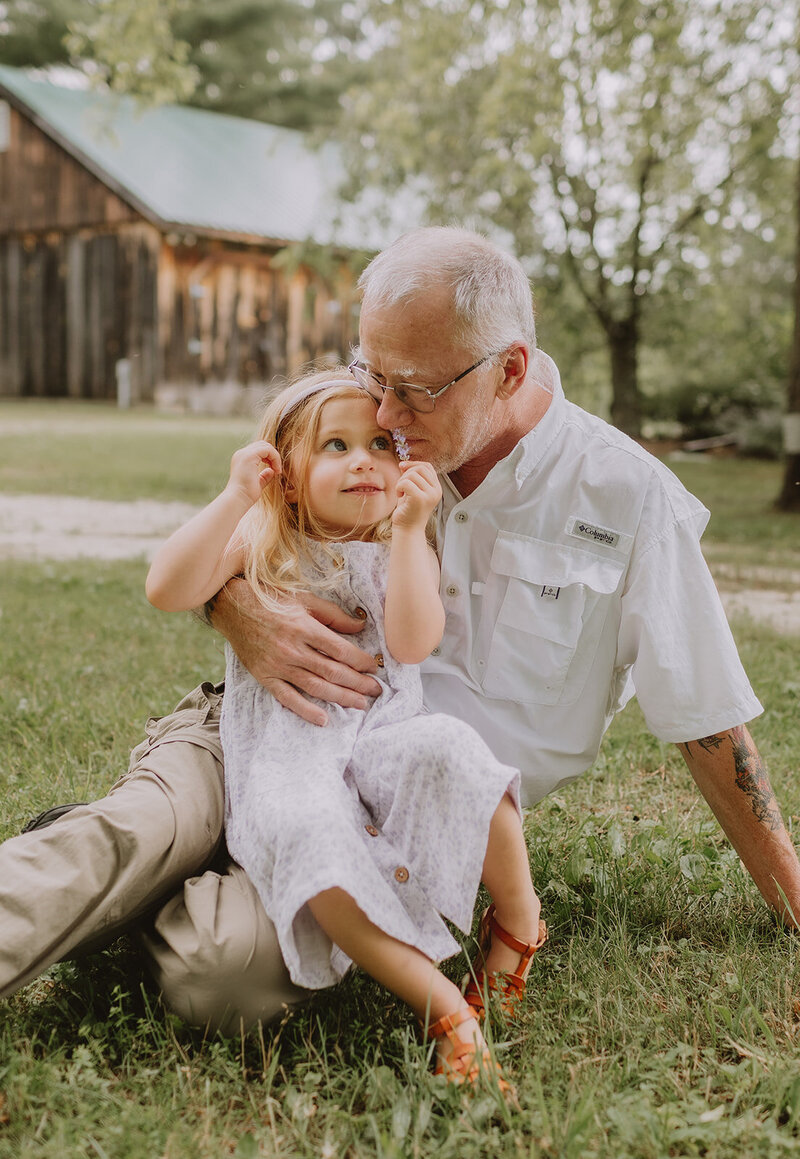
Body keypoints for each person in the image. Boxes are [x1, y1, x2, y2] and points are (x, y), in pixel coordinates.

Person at [2, 225, 799, 1035]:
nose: (382, 414)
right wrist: (237, 608)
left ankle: (132, 895)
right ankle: (124, 857)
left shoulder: (630, 500)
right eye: (369, 373)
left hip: (400, 801)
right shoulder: (378, 435)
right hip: (264, 722)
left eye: (410, 391)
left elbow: (708, 725)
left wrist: (795, 908)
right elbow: (248, 536)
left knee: (221, 975)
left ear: (508, 369)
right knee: (142, 830)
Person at [143, 369, 545, 1084]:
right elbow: (167, 587)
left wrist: (412, 530)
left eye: (382, 445)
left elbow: (415, 643)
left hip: (385, 733)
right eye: (336, 445)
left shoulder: (399, 541)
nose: (365, 459)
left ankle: (518, 922)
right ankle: (441, 1001)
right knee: (306, 828)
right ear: (288, 476)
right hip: (291, 746)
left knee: (456, 750)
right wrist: (237, 494)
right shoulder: (263, 535)